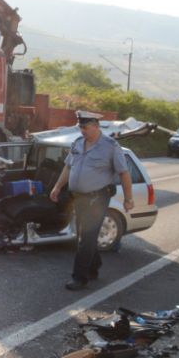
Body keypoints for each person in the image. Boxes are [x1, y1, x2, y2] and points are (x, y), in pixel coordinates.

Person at [50, 111, 134, 291]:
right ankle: (94, 266)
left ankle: (79, 278)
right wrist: (57, 187)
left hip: (97, 198)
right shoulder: (78, 143)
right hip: (79, 198)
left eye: (85, 127)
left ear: (96, 126)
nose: (82, 130)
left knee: (86, 238)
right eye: (80, 127)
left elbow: (124, 173)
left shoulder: (110, 146)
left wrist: (128, 199)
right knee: (84, 235)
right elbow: (68, 167)